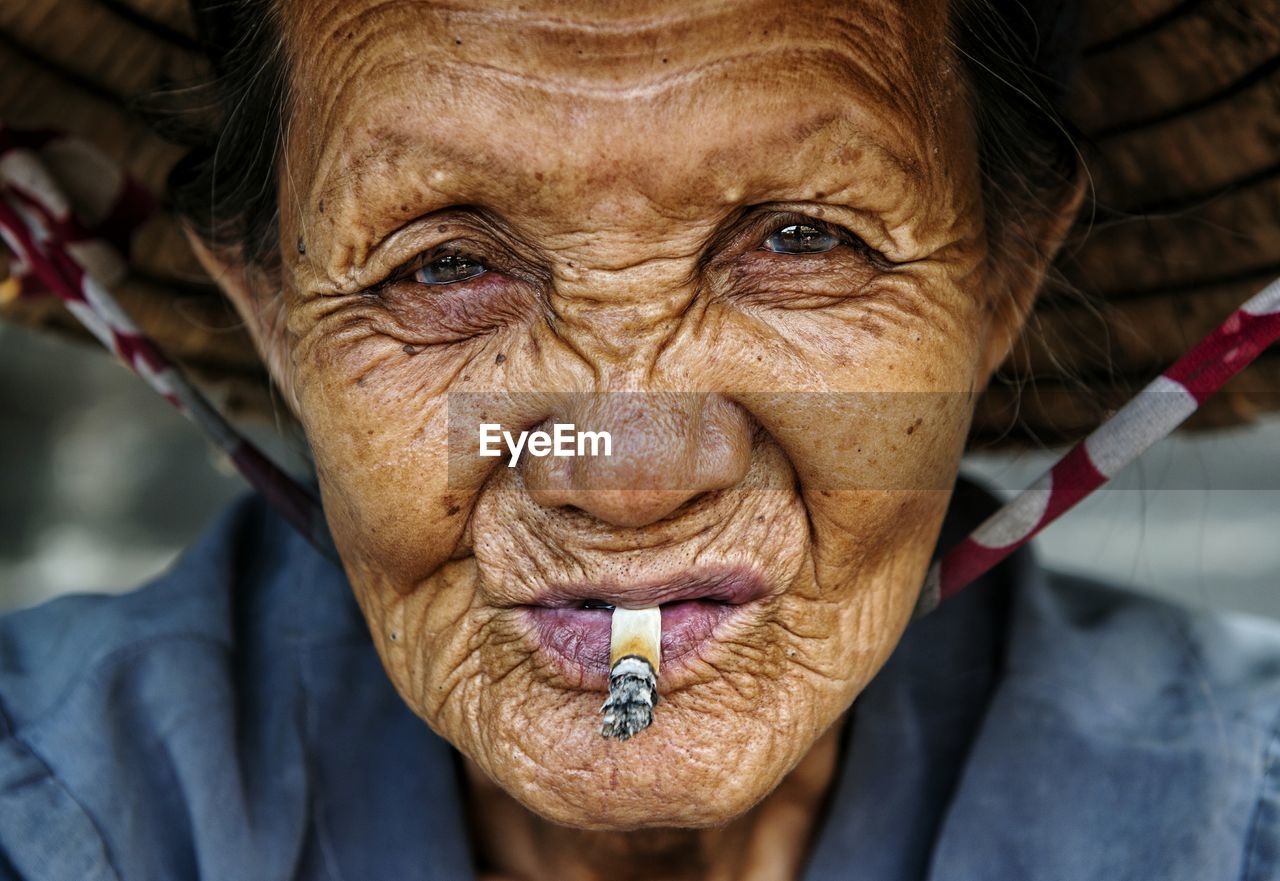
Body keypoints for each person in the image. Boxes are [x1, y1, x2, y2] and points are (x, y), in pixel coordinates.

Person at [1, 1, 1278, 879]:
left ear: (1001, 282)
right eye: (443, 263)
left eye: (800, 239)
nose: (624, 477)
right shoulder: (52, 812)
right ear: (271, 315)